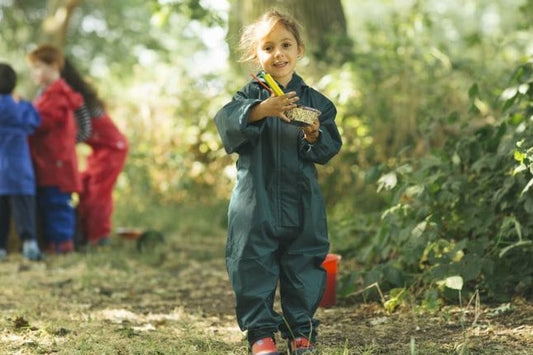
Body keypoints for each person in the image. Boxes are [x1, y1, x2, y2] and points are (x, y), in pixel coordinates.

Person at [214, 9, 342, 355]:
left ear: (300, 49)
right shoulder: (248, 97)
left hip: (302, 200)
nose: (278, 54)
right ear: (256, 55)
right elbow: (226, 124)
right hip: (256, 202)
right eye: (268, 48)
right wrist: (261, 110)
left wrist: (314, 134)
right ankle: (261, 334)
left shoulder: (315, 101)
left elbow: (330, 145)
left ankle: (301, 331)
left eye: (286, 45)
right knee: (252, 262)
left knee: (304, 261)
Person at [60, 58, 128, 248]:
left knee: (99, 192)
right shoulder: (71, 96)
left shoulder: (80, 100)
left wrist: (63, 143)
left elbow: (85, 131)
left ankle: (99, 237)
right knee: (85, 186)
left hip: (113, 148)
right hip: (98, 150)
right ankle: (85, 234)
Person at [27, 45, 84, 254]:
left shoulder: (57, 95)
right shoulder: (46, 94)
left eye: (38, 67)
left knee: (57, 204)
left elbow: (40, 121)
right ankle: (55, 241)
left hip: (57, 164)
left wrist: (21, 113)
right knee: (49, 203)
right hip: (48, 162)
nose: (34, 73)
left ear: (53, 66)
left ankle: (62, 243)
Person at [0, 63, 44, 261]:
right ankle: (30, 244)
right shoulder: (21, 107)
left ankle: (1, 248)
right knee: (24, 208)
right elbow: (35, 121)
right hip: (19, 168)